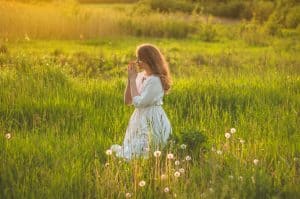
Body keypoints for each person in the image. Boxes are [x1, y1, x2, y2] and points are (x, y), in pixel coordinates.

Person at [110, 43, 172, 160]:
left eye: (140, 58)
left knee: (146, 152)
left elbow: (139, 103)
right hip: (139, 117)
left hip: (152, 119)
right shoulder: (141, 76)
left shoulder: (155, 80)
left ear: (148, 59)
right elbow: (128, 101)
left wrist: (133, 80)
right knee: (133, 153)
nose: (137, 62)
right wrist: (130, 80)